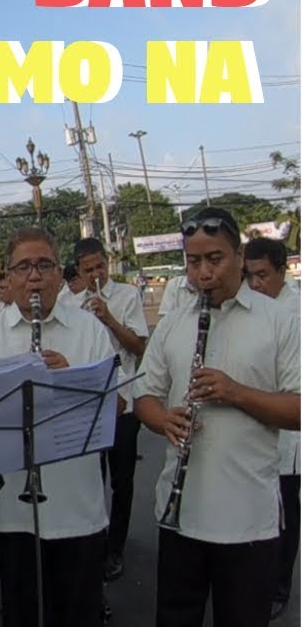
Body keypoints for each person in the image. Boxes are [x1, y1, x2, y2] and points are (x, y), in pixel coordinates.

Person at [135, 210, 300, 627]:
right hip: (181, 514)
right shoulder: (173, 323)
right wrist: (162, 421)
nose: (204, 273)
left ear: (240, 256)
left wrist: (236, 392)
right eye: (194, 263)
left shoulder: (281, 321)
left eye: (215, 259)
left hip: (248, 520)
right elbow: (144, 395)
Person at [0, 226, 115, 627]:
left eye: (45, 265)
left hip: (76, 500)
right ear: (8, 278)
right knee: (21, 608)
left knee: (78, 610)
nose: (34, 276)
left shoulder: (90, 330)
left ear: (60, 276)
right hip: (13, 504)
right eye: (23, 267)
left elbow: (116, 405)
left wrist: (69, 381)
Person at [72, 237, 150, 583]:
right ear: (78, 271)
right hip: (88, 404)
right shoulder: (68, 303)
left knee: (122, 480)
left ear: (108, 264)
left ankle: (115, 547)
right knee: (90, 476)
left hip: (124, 401)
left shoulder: (127, 295)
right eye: (88, 270)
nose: (96, 274)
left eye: (100, 266)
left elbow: (139, 347)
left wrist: (109, 318)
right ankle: (93, 541)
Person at [243, 236, 301, 620]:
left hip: (288, 424)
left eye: (263, 275)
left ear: (283, 271)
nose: (256, 284)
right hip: (251, 421)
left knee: (285, 507)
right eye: (250, 276)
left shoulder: (295, 311)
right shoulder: (249, 309)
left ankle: (280, 581)